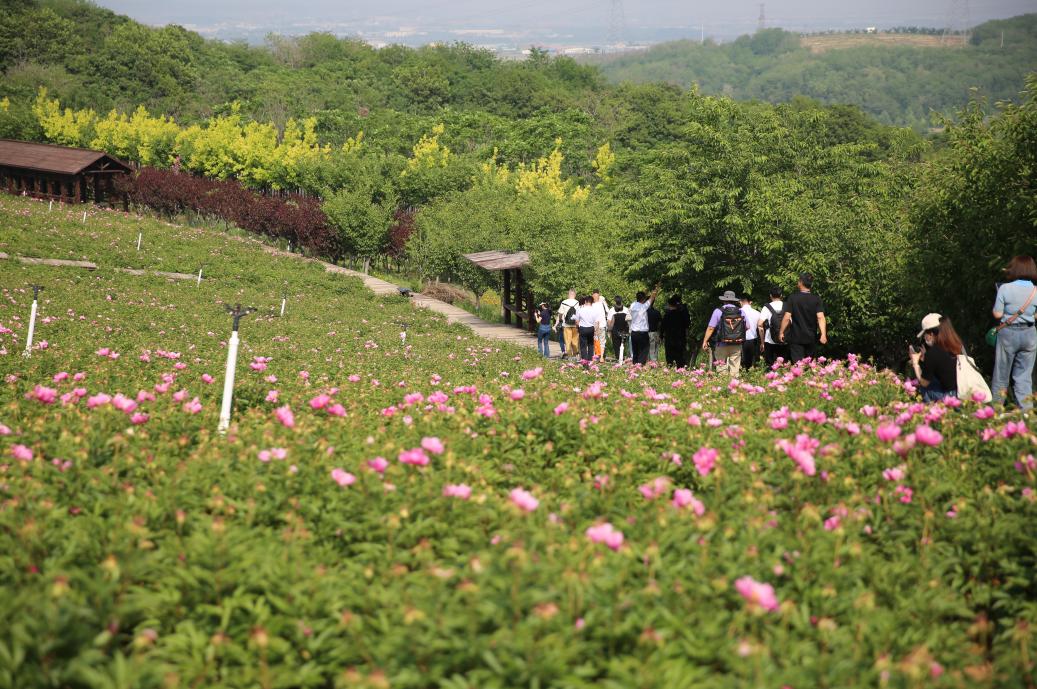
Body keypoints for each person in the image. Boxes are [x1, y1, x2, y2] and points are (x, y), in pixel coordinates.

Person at [991, 255, 1037, 412]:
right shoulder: (1035, 290)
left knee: (1001, 376)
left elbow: (998, 315)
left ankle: (995, 414)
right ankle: (1027, 415)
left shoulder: (1005, 288)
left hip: (1008, 334)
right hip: (1030, 334)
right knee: (1024, 378)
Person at [909, 313, 963, 402]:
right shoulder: (958, 344)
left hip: (951, 396)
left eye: (925, 334)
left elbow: (924, 382)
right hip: (964, 390)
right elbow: (944, 366)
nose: (925, 337)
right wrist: (926, 358)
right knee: (933, 379)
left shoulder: (934, 353)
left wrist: (915, 363)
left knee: (924, 388)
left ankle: (936, 413)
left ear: (931, 334)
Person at [778, 273, 827, 363]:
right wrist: (823, 334)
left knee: (798, 366)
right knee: (810, 365)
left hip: (796, 338)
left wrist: (781, 332)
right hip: (811, 338)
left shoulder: (793, 298)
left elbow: (786, 317)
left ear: (800, 282)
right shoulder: (816, 299)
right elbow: (820, 317)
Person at [701, 290, 746, 376]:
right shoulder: (741, 311)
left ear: (724, 300)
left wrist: (705, 341)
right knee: (735, 370)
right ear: (734, 300)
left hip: (721, 344)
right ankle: (734, 386)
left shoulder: (718, 311)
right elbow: (747, 327)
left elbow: (711, 328)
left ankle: (723, 385)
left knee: (721, 368)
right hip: (736, 344)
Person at [628, 284, 660, 365]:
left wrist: (645, 290)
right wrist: (656, 288)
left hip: (634, 333)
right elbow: (652, 298)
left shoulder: (633, 305)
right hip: (642, 333)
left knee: (635, 351)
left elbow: (641, 297)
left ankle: (635, 366)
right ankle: (640, 366)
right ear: (644, 299)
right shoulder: (644, 306)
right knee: (644, 351)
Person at [758, 287, 787, 367]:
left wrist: (762, 342)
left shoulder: (767, 307)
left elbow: (760, 324)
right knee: (783, 364)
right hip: (785, 339)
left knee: (770, 365)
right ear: (781, 295)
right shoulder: (787, 306)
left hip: (769, 339)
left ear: (770, 295)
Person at [661, 295, 691, 367]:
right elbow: (687, 324)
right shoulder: (682, 314)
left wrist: (661, 336)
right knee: (680, 356)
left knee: (669, 356)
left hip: (669, 338)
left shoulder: (667, 315)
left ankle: (670, 368)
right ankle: (680, 369)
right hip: (680, 338)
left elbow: (662, 327)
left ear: (670, 304)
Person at [556, 289, 580, 359]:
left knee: (567, 341)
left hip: (566, 325)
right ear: (574, 295)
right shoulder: (577, 302)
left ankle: (569, 356)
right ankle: (575, 355)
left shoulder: (564, 302)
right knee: (575, 341)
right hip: (575, 325)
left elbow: (560, 313)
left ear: (568, 294)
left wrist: (560, 319)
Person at [575, 295, 599, 362]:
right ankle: (590, 360)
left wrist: (577, 328)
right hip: (591, 328)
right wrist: (596, 331)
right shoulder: (595, 310)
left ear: (585, 301)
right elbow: (596, 323)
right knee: (591, 345)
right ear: (592, 302)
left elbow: (577, 321)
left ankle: (584, 361)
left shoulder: (580, 309)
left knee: (583, 346)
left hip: (582, 328)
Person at [740, 295, 761, 370]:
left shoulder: (738, 312)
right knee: (752, 361)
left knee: (742, 362)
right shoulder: (757, 313)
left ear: (740, 302)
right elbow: (760, 327)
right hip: (753, 339)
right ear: (750, 302)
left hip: (740, 340)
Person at [608, 297, 631, 363]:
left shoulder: (614, 315)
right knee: (623, 344)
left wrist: (609, 330)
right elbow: (628, 322)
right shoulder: (626, 312)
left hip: (615, 332)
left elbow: (611, 325)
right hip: (624, 332)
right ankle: (622, 357)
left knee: (616, 346)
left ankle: (618, 358)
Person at [592, 290, 610, 360]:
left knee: (595, 341)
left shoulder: (591, 305)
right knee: (602, 341)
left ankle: (595, 356)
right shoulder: (602, 303)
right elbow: (608, 311)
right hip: (602, 325)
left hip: (594, 326)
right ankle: (601, 357)